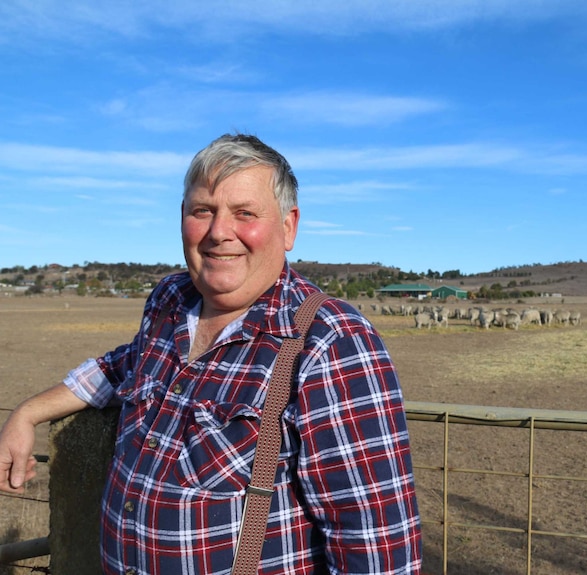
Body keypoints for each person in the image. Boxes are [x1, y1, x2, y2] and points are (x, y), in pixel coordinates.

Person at [0, 133, 422, 575]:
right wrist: (28, 412)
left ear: (288, 226)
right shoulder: (171, 300)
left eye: (245, 213)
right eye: (203, 210)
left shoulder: (329, 341)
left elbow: (377, 549)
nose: (220, 232)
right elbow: (124, 365)